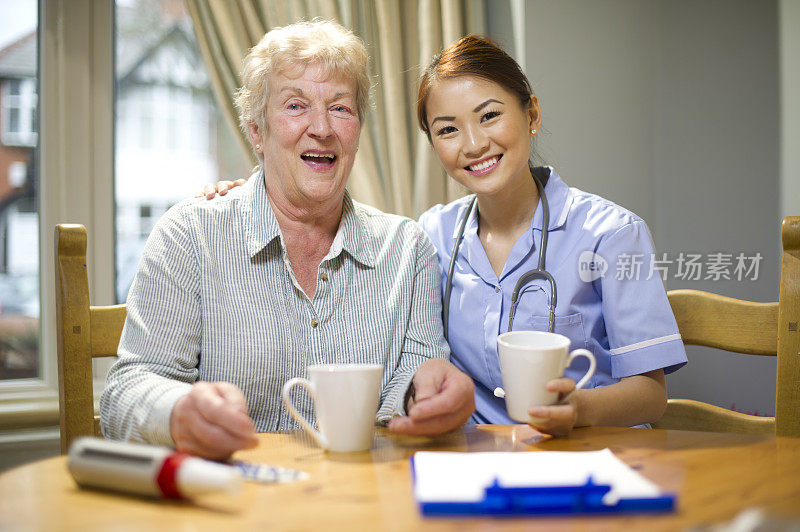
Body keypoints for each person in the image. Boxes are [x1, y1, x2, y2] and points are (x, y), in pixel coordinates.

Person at [204, 33, 688, 437]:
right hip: (473, 465)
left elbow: (651, 395)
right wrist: (252, 190)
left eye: (490, 115)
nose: (474, 144)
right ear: (433, 143)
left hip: (587, 457)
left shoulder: (616, 233)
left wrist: (578, 412)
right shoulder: (431, 235)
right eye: (448, 129)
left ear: (532, 115)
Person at [100, 20, 475, 461]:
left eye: (341, 108)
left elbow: (414, 382)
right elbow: (125, 391)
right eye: (296, 106)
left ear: (357, 130)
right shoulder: (190, 237)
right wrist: (179, 412)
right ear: (256, 131)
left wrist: (429, 396)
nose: (321, 127)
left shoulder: (406, 249)